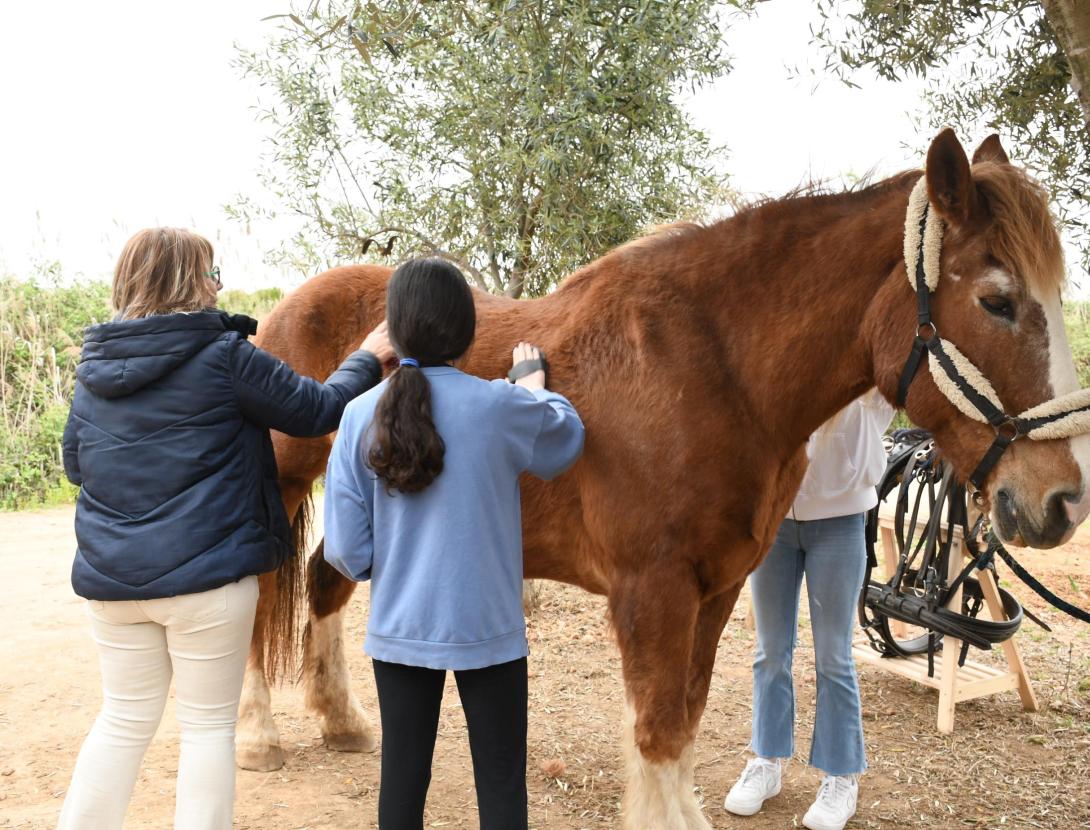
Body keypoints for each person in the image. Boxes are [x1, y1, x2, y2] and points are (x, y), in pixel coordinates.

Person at [57, 227, 393, 830]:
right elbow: (317, 409)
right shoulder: (226, 357)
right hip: (208, 583)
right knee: (208, 731)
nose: (219, 288)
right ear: (192, 283)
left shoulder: (93, 368)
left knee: (121, 721)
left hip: (111, 588)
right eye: (213, 275)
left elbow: (76, 466)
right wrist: (367, 357)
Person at [323, 257, 585, 830]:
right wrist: (536, 390)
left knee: (402, 784)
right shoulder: (500, 405)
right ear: (467, 332)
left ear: (394, 329)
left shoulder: (356, 414)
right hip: (489, 632)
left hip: (399, 630)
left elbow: (344, 550)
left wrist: (394, 573)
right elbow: (566, 440)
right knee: (500, 785)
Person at [724, 389, 894, 830]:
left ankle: (842, 775)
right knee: (770, 650)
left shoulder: (866, 378)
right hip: (775, 519)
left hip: (840, 522)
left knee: (834, 657)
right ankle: (767, 760)